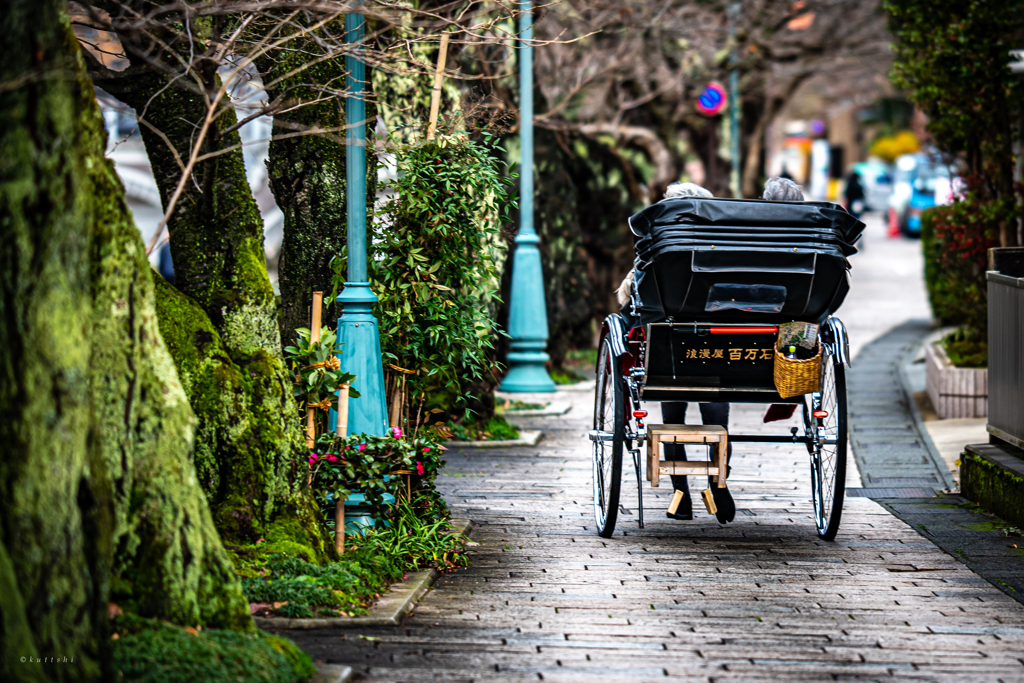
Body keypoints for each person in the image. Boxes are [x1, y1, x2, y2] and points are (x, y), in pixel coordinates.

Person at [615, 181, 734, 523]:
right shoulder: (728, 246)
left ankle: (680, 494)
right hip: (719, 346)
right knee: (716, 417)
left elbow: (628, 296)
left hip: (671, 348)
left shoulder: (661, 248)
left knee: (673, 419)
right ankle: (718, 481)